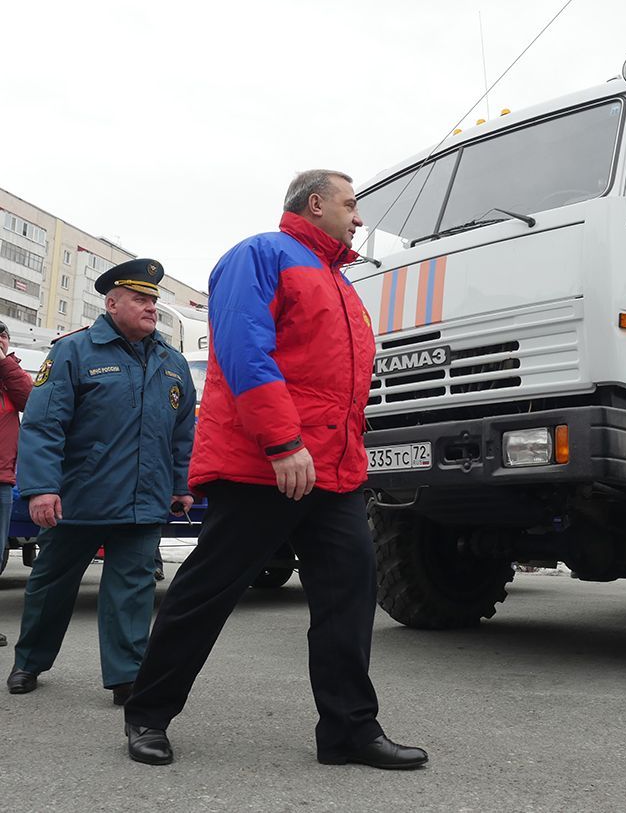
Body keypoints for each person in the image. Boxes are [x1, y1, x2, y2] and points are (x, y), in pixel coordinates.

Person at [123, 169, 427, 770]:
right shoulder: (261, 254)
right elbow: (243, 348)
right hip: (264, 463)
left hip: (332, 473)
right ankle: (147, 715)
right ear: (315, 204)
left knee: (349, 596)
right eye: (350, 205)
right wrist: (283, 441)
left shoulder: (342, 285)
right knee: (208, 591)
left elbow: (341, 389)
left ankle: (348, 731)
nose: (359, 217)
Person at [6, 260, 196, 705]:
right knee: (52, 586)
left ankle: (127, 677)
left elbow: (183, 432)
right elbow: (43, 424)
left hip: (144, 500)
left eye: (153, 300)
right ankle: (29, 660)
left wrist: (180, 484)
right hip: (77, 499)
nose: (151, 307)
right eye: (140, 299)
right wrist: (41, 488)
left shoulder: (173, 363)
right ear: (111, 304)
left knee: (132, 590)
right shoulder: (74, 352)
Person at [0, 320, 35, 649]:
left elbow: (30, 401)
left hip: (2, 480)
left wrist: (3, 362)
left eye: (2, 336)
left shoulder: (11, 376)